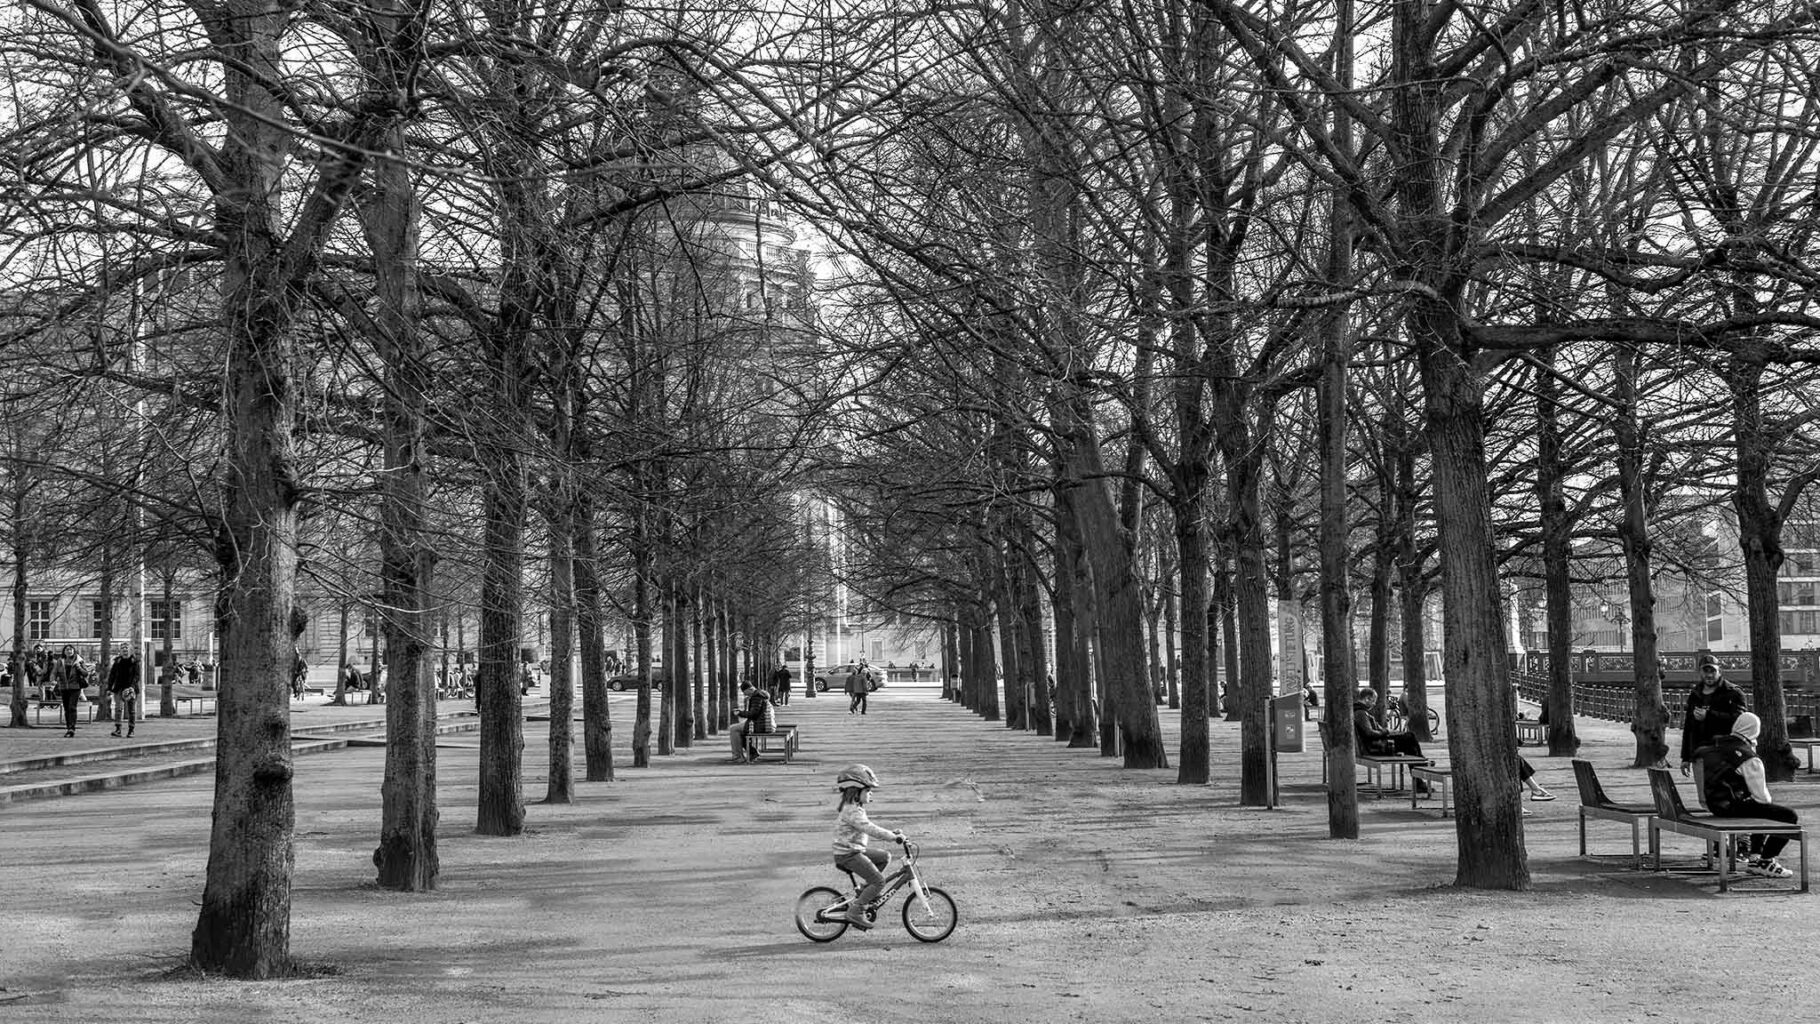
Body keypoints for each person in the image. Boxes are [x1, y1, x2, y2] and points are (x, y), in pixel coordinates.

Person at [1698, 712, 1798, 878]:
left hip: (1715, 803)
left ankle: (1755, 857)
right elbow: (1762, 798)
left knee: (1760, 809)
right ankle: (1765, 860)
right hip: (1732, 806)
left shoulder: (1715, 746)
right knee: (1787, 816)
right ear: (1755, 731)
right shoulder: (1748, 757)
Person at [831, 763, 902, 930]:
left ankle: (864, 891)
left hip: (855, 850)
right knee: (879, 881)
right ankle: (855, 911)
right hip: (848, 854)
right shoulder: (852, 811)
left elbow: (870, 826)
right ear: (856, 791)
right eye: (868, 791)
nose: (871, 795)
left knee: (884, 857)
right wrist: (892, 836)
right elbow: (870, 828)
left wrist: (892, 833)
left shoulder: (856, 808)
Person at [1680, 654, 1747, 776]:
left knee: (1723, 793)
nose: (1709, 675)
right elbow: (1689, 727)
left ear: (1720, 671)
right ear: (1699, 672)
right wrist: (1685, 758)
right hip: (1699, 752)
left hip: (1724, 753)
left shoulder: (1733, 692)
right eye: (1705, 671)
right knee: (1703, 794)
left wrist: (1710, 716)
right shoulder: (1695, 694)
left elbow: (1741, 721)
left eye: (1713, 671)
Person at [1354, 688, 1429, 793]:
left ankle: (1419, 775)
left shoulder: (1358, 711)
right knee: (1409, 738)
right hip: (1375, 747)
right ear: (1367, 699)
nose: (1374, 703)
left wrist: (1387, 732)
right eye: (1373, 700)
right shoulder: (1361, 713)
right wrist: (1385, 732)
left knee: (1408, 741)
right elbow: (1369, 733)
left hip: (1373, 744)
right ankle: (1421, 765)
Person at [51, 645, 91, 739]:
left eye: (71, 649)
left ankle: (72, 728)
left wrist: (79, 668)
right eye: (67, 649)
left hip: (75, 687)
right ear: (64, 651)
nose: (69, 651)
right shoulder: (60, 661)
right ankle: (68, 727)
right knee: (66, 708)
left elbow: (86, 673)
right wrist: (53, 680)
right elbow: (54, 672)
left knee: (72, 707)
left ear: (74, 651)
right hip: (64, 687)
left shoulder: (79, 660)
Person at [729, 682, 772, 763]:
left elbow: (753, 714)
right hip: (762, 722)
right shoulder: (761, 694)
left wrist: (739, 713)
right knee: (741, 729)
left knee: (733, 729)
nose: (746, 695)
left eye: (745, 693)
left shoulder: (756, 697)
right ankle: (752, 752)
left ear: (750, 689)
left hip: (760, 724)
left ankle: (738, 756)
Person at [107, 653, 140, 738]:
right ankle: (118, 729)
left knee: (131, 710)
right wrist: (109, 687)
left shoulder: (134, 662)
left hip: (131, 688)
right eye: (123, 648)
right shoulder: (117, 661)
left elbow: (136, 676)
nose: (125, 650)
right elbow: (112, 675)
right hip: (119, 688)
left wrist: (132, 687)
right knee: (118, 708)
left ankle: (131, 729)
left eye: (126, 648)